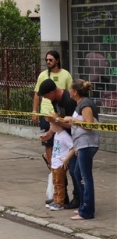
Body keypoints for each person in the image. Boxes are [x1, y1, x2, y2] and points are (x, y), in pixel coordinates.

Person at [61, 79, 100, 220]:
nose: (68, 91)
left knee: (85, 177)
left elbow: (89, 126)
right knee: (77, 173)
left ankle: (88, 211)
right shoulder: (80, 104)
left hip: (88, 144)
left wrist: (72, 120)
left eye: (70, 89)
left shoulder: (86, 104)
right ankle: (83, 205)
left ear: (75, 92)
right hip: (81, 145)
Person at [38, 78, 79, 207]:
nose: (46, 99)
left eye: (46, 96)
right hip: (63, 139)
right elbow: (59, 121)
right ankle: (61, 197)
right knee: (60, 170)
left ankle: (78, 197)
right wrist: (50, 133)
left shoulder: (68, 101)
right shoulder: (55, 100)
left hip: (73, 139)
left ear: (52, 92)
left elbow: (73, 124)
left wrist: (56, 121)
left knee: (73, 170)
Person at [32, 51, 72, 167]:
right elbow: (36, 94)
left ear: (57, 60)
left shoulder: (66, 75)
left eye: (51, 60)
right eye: (46, 60)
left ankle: (62, 161)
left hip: (60, 113)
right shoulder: (42, 75)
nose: (48, 62)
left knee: (60, 140)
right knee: (48, 142)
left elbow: (71, 92)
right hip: (46, 113)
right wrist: (35, 111)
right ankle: (52, 165)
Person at [45, 122, 74, 211]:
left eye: (51, 125)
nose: (50, 127)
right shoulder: (57, 134)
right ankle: (56, 199)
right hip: (55, 162)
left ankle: (60, 202)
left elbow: (73, 147)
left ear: (57, 126)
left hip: (60, 164)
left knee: (59, 183)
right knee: (55, 183)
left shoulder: (64, 136)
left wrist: (66, 159)